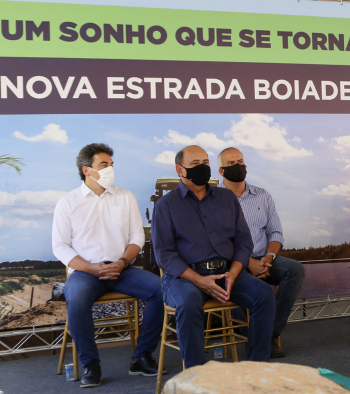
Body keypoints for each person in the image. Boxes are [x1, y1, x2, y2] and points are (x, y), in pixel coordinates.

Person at [51, 143, 165, 388]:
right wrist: (91, 268)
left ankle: (142, 356)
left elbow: (137, 237)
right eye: (104, 165)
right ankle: (91, 364)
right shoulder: (68, 202)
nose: (110, 169)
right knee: (77, 297)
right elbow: (60, 246)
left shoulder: (125, 196)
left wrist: (122, 262)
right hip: (85, 272)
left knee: (161, 289)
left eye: (112, 164)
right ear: (86, 170)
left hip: (121, 269)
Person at [152, 145, 276, 367]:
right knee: (188, 303)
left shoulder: (226, 198)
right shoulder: (166, 205)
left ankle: (258, 369)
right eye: (195, 164)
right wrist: (199, 280)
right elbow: (165, 254)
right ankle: (198, 378)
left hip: (227, 271)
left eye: (206, 163)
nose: (203, 168)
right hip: (184, 277)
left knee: (263, 294)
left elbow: (243, 241)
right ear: (180, 170)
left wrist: (235, 272)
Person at [217, 147, 305, 358]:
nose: (238, 166)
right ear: (220, 171)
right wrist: (248, 263)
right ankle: (253, 336)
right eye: (231, 164)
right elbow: (219, 241)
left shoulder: (262, 195)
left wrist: (268, 258)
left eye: (240, 162)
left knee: (295, 270)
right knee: (241, 281)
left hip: (263, 257)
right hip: (233, 261)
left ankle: (270, 334)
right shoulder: (214, 199)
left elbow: (275, 232)